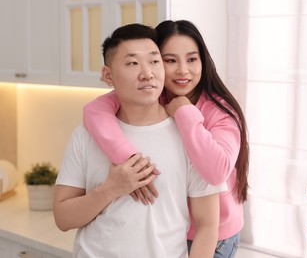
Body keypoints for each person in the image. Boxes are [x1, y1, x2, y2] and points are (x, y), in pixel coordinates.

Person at [53, 23, 227, 258]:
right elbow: (63, 218)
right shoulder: (85, 135)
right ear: (108, 75)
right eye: (133, 63)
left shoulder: (190, 135)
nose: (148, 73)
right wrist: (109, 190)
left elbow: (207, 226)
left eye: (155, 61)